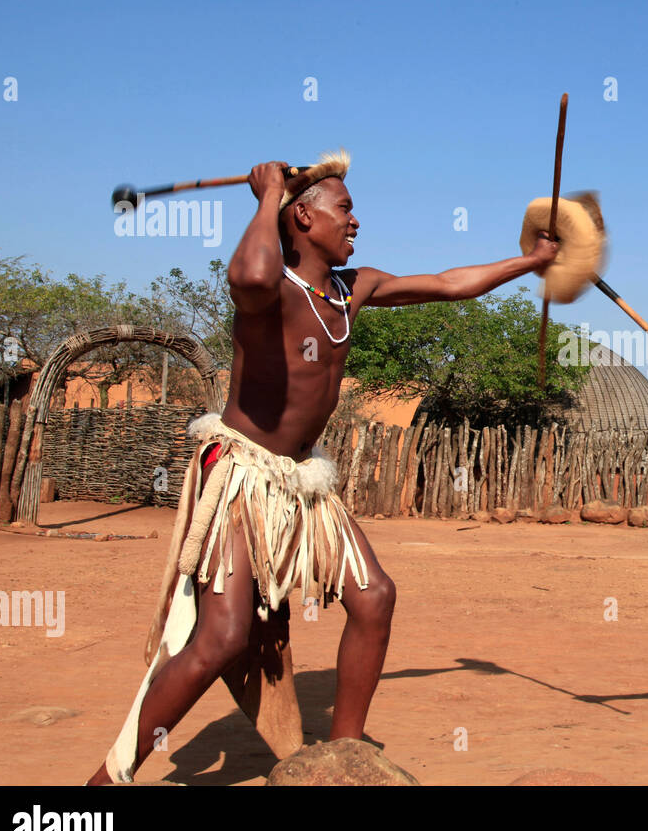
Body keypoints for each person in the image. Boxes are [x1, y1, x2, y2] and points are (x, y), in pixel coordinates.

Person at [87, 151, 557, 783]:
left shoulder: (352, 287)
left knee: (375, 597)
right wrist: (266, 195)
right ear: (303, 217)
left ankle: (345, 757)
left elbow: (449, 282)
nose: (356, 220)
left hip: (302, 480)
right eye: (344, 208)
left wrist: (530, 262)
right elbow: (247, 275)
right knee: (221, 638)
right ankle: (110, 778)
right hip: (242, 478)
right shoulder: (271, 290)